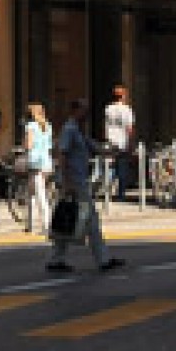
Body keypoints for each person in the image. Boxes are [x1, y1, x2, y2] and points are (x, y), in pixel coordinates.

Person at [45, 98, 126, 274]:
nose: (87, 114)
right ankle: (103, 260)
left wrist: (115, 152)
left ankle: (56, 259)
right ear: (75, 111)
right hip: (74, 182)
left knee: (68, 219)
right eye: (84, 110)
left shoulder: (79, 132)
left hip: (78, 181)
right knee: (91, 221)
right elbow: (63, 155)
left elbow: (94, 147)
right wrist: (67, 183)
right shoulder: (70, 129)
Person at [23, 101, 55, 234]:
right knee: (32, 192)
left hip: (35, 162)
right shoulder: (48, 126)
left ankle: (47, 225)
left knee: (40, 194)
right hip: (46, 162)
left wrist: (24, 144)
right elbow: (49, 146)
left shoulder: (31, 126)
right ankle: (30, 223)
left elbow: (29, 145)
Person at [103, 84, 138, 201]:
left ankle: (107, 189)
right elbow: (130, 128)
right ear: (123, 96)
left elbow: (106, 125)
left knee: (111, 166)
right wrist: (132, 144)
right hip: (122, 142)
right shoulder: (127, 110)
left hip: (111, 141)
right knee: (122, 167)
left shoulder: (108, 109)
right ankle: (120, 194)